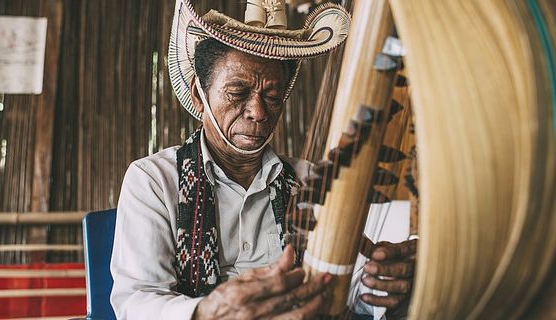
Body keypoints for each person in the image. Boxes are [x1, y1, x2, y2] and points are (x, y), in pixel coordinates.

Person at [111, 1, 416, 319]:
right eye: (238, 92)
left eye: (272, 97)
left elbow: (349, 286)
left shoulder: (308, 180)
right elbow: (136, 302)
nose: (258, 112)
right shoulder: (154, 180)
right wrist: (207, 312)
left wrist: (389, 282)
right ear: (200, 96)